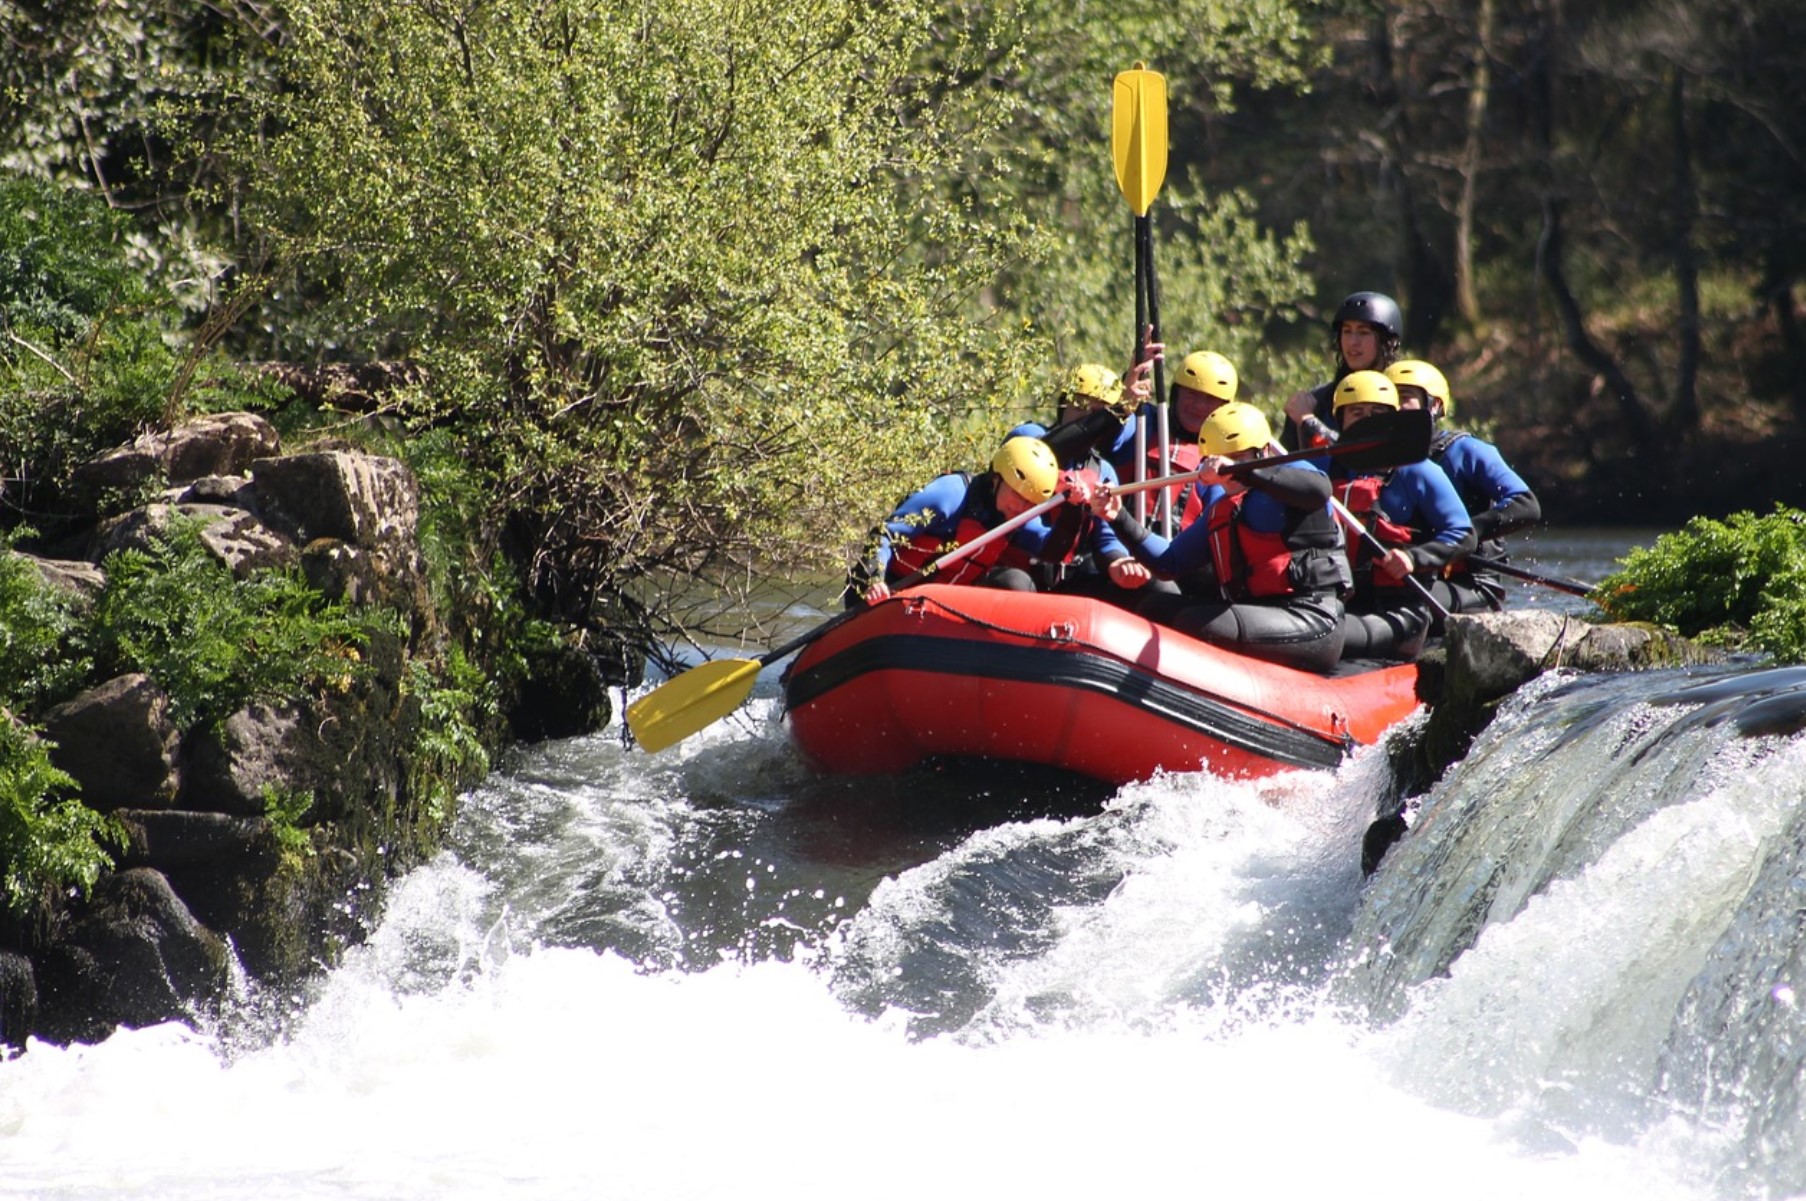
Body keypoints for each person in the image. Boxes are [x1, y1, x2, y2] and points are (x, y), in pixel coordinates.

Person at [1085, 401, 1351, 674]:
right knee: (1154, 607)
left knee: (1195, 621)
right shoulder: (1224, 509)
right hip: (1259, 615)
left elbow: (1319, 490)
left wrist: (1245, 470)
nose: (1228, 466)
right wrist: (1117, 517)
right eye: (1221, 458)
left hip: (1312, 619)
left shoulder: (1295, 472)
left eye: (1239, 456)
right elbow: (1169, 562)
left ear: (1263, 451)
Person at [1327, 371, 1475, 662]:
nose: (1368, 421)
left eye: (1378, 413)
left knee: (1322, 633)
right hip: (1340, 604)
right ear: (1340, 420)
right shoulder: (1324, 467)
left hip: (1400, 614)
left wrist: (1413, 558)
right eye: (1357, 413)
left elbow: (1463, 535)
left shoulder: (1418, 471)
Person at [861, 436, 1109, 604]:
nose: (1022, 508)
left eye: (1030, 503)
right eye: (1017, 496)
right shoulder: (950, 495)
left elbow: (1052, 552)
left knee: (1016, 582)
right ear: (996, 479)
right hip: (890, 593)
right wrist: (874, 580)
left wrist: (1073, 509)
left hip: (943, 604)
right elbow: (884, 535)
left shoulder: (1015, 517)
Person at [1385, 359, 1542, 617]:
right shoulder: (1380, 462)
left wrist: (1464, 535)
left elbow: (1526, 504)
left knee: (1404, 600)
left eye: (1405, 397)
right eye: (1391, 398)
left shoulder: (1466, 450)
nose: (1396, 406)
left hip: (1471, 583)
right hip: (1411, 573)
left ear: (1434, 405)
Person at [1007, 364, 1158, 607]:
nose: (1086, 417)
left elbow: (1106, 538)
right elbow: (1048, 451)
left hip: (1068, 578)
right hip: (1015, 569)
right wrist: (1118, 409)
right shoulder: (1028, 437)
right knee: (1017, 583)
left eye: (1097, 412)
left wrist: (1118, 562)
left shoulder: (1103, 471)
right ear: (1063, 405)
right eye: (1079, 406)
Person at [1109, 348, 1240, 532]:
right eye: (1192, 394)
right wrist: (1126, 397)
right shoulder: (1145, 419)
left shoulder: (1225, 452)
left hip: (1175, 553)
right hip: (1118, 543)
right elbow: (1113, 436)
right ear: (1176, 394)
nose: (1199, 406)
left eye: (1211, 399)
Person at [1281, 291, 1404, 452]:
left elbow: (1370, 455)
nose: (1352, 342)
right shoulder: (1318, 401)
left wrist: (1308, 422)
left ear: (1388, 342)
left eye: (1363, 332)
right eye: (1347, 331)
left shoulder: (1405, 397)